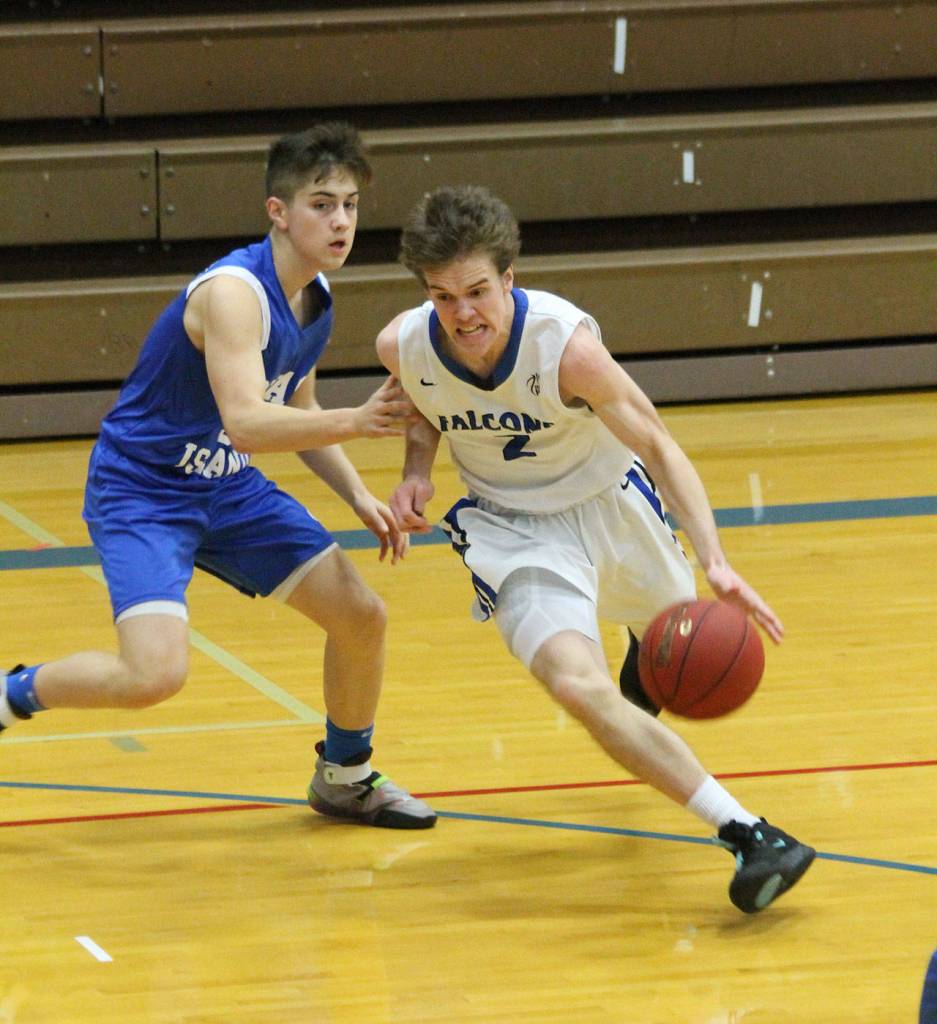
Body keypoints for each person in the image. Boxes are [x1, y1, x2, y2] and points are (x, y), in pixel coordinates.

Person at [376, 184, 815, 909]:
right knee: (579, 688)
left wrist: (714, 559)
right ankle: (749, 833)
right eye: (442, 296)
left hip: (613, 508)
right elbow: (423, 405)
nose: (462, 314)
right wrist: (414, 473)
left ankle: (645, 648)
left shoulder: (565, 347)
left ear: (508, 278)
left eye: (477, 291)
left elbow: (659, 446)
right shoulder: (405, 343)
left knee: (677, 648)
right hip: (514, 530)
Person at [1, 123, 436, 830]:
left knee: (361, 617)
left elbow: (297, 408)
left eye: (351, 205)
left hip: (223, 486)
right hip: (143, 490)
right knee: (153, 677)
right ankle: (12, 694)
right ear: (277, 211)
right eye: (322, 204)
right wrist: (361, 421)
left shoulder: (314, 296)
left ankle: (345, 776)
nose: (341, 221)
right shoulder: (235, 292)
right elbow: (248, 424)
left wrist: (356, 493)